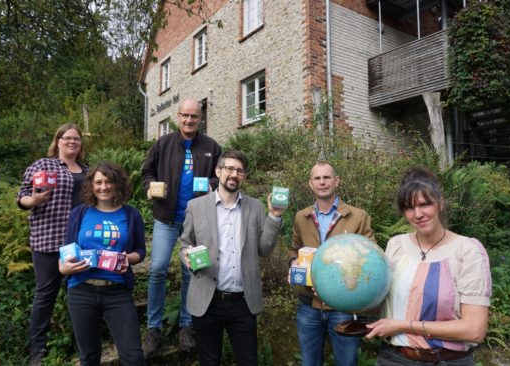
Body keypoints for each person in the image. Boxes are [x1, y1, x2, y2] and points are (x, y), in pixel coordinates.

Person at [365, 167, 491, 365]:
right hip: (394, 359)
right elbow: (383, 304)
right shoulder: (395, 245)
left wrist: (402, 326)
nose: (417, 214)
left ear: (440, 204)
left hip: (446, 361)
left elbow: (474, 330)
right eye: (409, 207)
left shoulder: (467, 251)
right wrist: (340, 295)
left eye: (425, 204)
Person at [179, 150, 285, 366]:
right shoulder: (196, 206)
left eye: (239, 170)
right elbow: (184, 243)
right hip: (207, 299)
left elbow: (263, 249)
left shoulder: (255, 207)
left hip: (243, 301)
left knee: (248, 361)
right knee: (209, 361)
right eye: (229, 168)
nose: (234, 174)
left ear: (243, 176)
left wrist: (275, 216)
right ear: (218, 171)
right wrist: (186, 256)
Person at [141, 98, 222, 357]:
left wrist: (211, 183)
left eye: (194, 117)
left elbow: (222, 175)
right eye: (185, 115)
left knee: (192, 272)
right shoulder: (163, 144)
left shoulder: (211, 146)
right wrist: (150, 188)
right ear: (178, 116)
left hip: (197, 223)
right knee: (157, 269)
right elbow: (147, 173)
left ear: (201, 118)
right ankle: (153, 328)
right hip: (166, 218)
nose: (189, 120)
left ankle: (187, 326)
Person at [59, 161, 146, 365]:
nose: (104, 187)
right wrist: (64, 267)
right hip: (81, 290)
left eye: (109, 181)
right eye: (98, 182)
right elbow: (66, 252)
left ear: (117, 184)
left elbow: (140, 251)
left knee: (134, 356)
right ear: (91, 185)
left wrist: (127, 259)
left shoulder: (131, 215)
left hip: (117, 291)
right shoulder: (79, 213)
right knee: (89, 357)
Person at [289, 162, 374, 366]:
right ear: (310, 184)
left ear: (337, 181)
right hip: (308, 307)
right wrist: (293, 263)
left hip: (342, 307)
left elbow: (370, 258)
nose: (322, 182)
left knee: (347, 363)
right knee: (310, 363)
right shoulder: (301, 217)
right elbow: (294, 249)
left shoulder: (358, 217)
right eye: (317, 178)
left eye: (327, 177)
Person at [17, 123, 88, 364]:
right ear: (57, 141)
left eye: (76, 139)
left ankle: (82, 343)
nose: (72, 142)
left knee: (78, 293)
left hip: (77, 242)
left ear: (80, 144)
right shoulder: (42, 165)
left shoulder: (86, 170)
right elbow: (22, 198)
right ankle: (38, 351)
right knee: (45, 295)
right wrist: (34, 199)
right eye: (67, 138)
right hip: (47, 239)